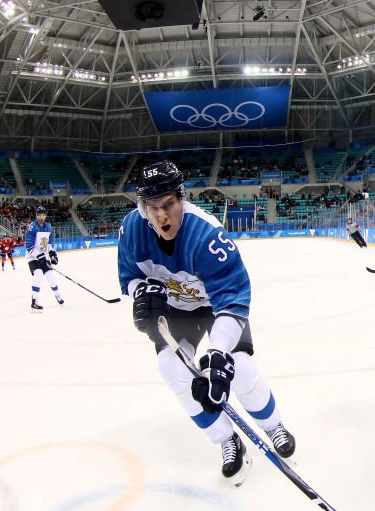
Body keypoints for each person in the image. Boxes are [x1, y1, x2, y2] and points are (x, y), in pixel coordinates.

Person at [117, 161, 295, 486]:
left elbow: (234, 298)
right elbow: (129, 276)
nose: (161, 217)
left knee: (237, 366)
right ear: (142, 207)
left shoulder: (206, 236)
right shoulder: (132, 229)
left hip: (215, 306)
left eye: (168, 204)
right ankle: (227, 439)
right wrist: (140, 293)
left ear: (181, 198)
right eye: (152, 208)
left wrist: (217, 355)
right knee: (171, 369)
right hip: (176, 310)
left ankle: (272, 425)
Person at [24, 206, 63, 310]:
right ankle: (34, 301)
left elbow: (50, 243)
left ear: (45, 215)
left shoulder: (48, 227)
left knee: (51, 276)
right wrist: (39, 255)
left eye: (43, 215)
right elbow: (29, 245)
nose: (41, 217)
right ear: (37, 216)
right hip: (32, 256)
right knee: (39, 275)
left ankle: (58, 295)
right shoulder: (32, 227)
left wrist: (52, 254)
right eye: (39, 215)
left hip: (43, 255)